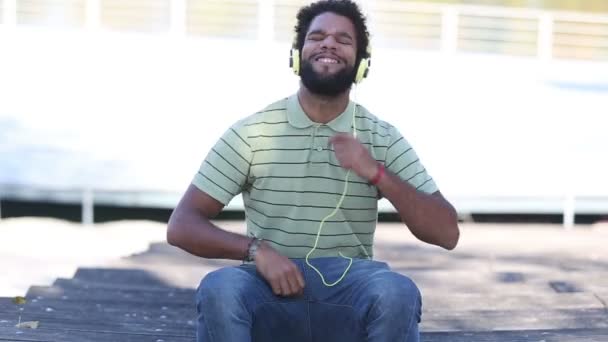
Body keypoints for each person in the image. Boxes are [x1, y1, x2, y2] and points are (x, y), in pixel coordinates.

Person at [167, 1, 459, 341]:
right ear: (296, 55)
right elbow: (182, 226)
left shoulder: (381, 137)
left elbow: (447, 233)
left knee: (397, 292)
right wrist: (256, 251)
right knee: (221, 287)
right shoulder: (254, 133)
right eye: (317, 36)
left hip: (349, 293)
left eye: (343, 40)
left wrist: (375, 172)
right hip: (269, 292)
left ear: (362, 64)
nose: (328, 44)